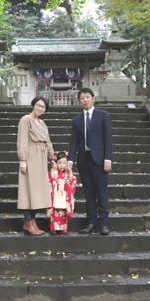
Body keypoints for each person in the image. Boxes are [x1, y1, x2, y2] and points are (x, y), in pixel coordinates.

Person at [68, 87, 112, 235]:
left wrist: (108, 158)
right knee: (88, 192)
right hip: (83, 160)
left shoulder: (103, 116)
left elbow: (108, 139)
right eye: (82, 98)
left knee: (101, 191)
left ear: (93, 98)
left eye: (87, 97)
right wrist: (70, 160)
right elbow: (73, 142)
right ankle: (91, 221)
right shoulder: (77, 120)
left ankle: (104, 223)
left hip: (99, 160)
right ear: (79, 101)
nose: (85, 100)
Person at [17, 96, 54, 235]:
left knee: (38, 192)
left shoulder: (42, 123)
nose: (40, 108)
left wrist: (52, 157)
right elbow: (22, 140)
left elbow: (48, 141)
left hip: (42, 157)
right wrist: (23, 159)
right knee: (28, 190)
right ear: (33, 105)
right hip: (31, 156)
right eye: (38, 105)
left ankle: (33, 222)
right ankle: (28, 221)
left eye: (43, 107)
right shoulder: (25, 120)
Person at [46, 151, 77, 234]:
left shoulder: (67, 173)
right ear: (56, 163)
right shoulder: (54, 172)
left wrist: (70, 171)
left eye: (64, 163)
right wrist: (53, 168)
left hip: (64, 196)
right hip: (55, 196)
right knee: (55, 212)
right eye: (59, 163)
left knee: (63, 212)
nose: (62, 165)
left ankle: (63, 228)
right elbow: (50, 179)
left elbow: (72, 180)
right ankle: (53, 227)